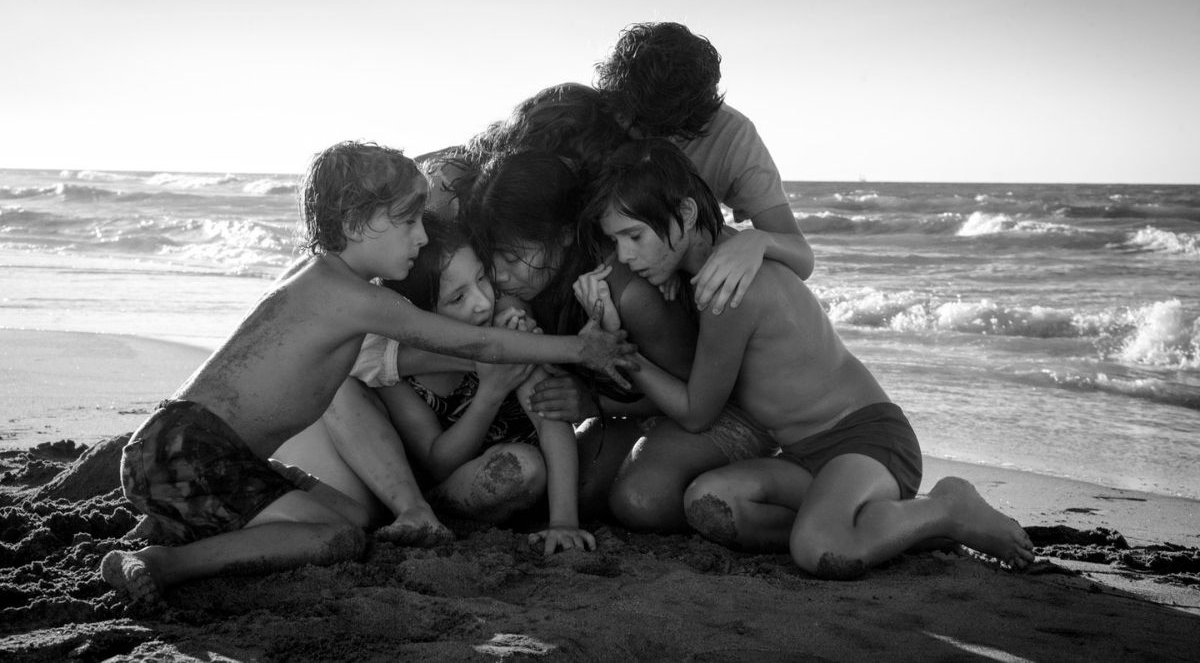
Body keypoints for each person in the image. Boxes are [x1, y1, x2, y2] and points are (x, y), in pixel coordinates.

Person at [99, 141, 636, 605]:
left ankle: (182, 522)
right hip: (187, 450)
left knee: (357, 519)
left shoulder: (320, 277)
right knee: (336, 539)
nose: (422, 237)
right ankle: (163, 562)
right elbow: (476, 342)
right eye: (407, 221)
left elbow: (445, 351)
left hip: (194, 450)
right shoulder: (351, 297)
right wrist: (582, 349)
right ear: (356, 225)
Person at [577, 138, 1035, 579]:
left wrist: (618, 355)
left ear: (685, 213)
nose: (625, 255)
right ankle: (887, 526)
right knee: (709, 504)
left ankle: (946, 506)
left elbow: (698, 414)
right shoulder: (718, 257)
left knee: (819, 549)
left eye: (634, 236)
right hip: (802, 457)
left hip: (864, 441)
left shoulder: (727, 288)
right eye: (616, 241)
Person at [468, 149, 776, 532]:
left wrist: (591, 400)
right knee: (578, 491)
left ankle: (766, 487)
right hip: (640, 415)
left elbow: (696, 401)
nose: (499, 277)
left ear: (563, 236)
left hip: (719, 415)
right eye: (491, 261)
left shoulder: (629, 291)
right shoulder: (531, 287)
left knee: (641, 500)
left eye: (513, 259)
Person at [360, 216, 595, 555]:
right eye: (458, 298)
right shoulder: (395, 372)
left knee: (530, 465)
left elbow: (550, 419)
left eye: (481, 278)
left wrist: (563, 522)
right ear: (418, 319)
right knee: (519, 467)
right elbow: (437, 462)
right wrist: (491, 392)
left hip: (543, 484)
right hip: (465, 486)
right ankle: (429, 514)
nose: (482, 302)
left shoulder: (505, 327)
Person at [595, 21, 815, 315]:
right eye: (629, 123)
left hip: (682, 278)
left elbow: (802, 259)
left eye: (663, 132)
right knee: (636, 299)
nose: (645, 141)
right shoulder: (609, 112)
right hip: (601, 262)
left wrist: (756, 241)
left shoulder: (732, 137)